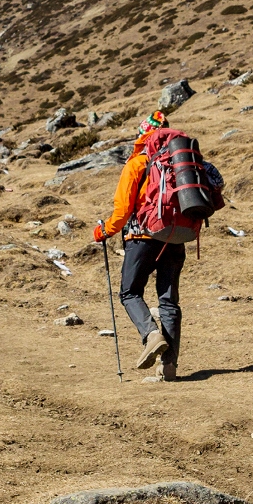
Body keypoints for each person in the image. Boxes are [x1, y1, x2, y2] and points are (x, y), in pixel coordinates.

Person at [93, 111, 196, 381]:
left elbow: (123, 208)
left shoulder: (138, 162)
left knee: (129, 293)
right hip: (176, 235)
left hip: (143, 237)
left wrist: (105, 230)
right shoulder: (181, 162)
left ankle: (151, 336)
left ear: (143, 135)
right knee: (169, 301)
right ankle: (169, 367)